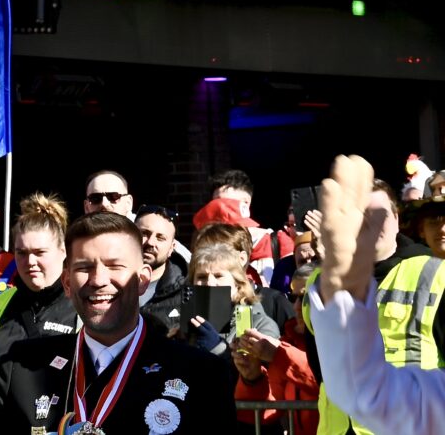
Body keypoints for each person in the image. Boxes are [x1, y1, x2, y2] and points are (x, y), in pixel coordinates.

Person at [0, 211, 236, 434]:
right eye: (85, 268)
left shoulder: (199, 373)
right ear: (68, 283)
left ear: (141, 279)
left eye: (114, 266)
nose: (99, 280)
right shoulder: (24, 368)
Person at [308, 155, 445, 435]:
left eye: (379, 214)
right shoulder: (321, 279)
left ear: (396, 218)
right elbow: (318, 360)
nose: (369, 224)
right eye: (360, 216)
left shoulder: (436, 273)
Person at [0, 193, 76, 376]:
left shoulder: (81, 305)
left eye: (39, 252)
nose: (30, 261)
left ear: (63, 251)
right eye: (22, 253)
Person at [234, 264, 319, 435]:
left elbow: (327, 381)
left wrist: (280, 354)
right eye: (294, 298)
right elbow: (266, 412)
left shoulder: (346, 338)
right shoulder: (289, 342)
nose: (296, 307)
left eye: (305, 298)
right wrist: (252, 378)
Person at [185, 244, 280, 360]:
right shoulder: (186, 324)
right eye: (202, 277)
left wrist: (217, 348)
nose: (209, 283)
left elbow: (255, 374)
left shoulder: (258, 325)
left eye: (218, 276)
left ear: (237, 285)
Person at [208, 170, 275, 283]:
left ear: (245, 204)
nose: (219, 210)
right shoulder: (206, 245)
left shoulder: (271, 242)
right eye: (215, 204)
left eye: (226, 204)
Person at [135, 205, 186, 335]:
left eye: (160, 238)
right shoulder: (109, 284)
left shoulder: (186, 293)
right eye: (144, 233)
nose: (151, 242)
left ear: (171, 248)